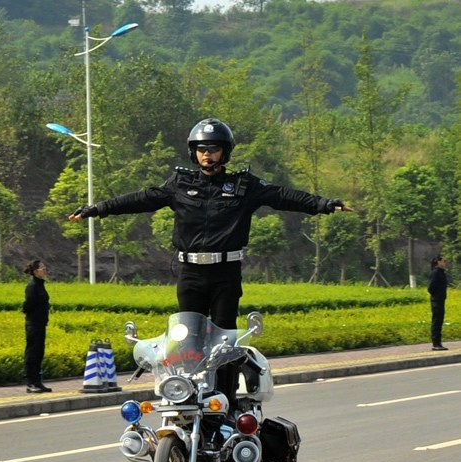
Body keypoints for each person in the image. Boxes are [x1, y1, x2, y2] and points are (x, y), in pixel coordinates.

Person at [69, 118, 349, 406]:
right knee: (185, 339)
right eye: (201, 149)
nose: (207, 154)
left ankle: (223, 402)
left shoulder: (243, 186)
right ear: (194, 152)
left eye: (213, 149)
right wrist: (98, 209)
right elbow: (141, 199)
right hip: (190, 272)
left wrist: (323, 204)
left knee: (224, 342)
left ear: (224, 152)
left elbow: (283, 196)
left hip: (226, 273)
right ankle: (186, 397)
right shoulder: (179, 184)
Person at [22, 259, 52, 393]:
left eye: (45, 268)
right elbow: (28, 305)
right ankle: (30, 382)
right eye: (42, 268)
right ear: (35, 272)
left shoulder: (40, 285)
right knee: (32, 353)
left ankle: (38, 381)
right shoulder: (32, 286)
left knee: (39, 353)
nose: (45, 270)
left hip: (41, 324)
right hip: (33, 324)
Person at [428, 254, 448, 351]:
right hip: (436, 300)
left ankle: (439, 343)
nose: (444, 263)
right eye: (443, 261)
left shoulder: (441, 272)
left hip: (441, 300)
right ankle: (436, 344)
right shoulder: (436, 273)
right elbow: (431, 288)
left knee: (439, 321)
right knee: (436, 321)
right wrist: (437, 295)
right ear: (439, 262)